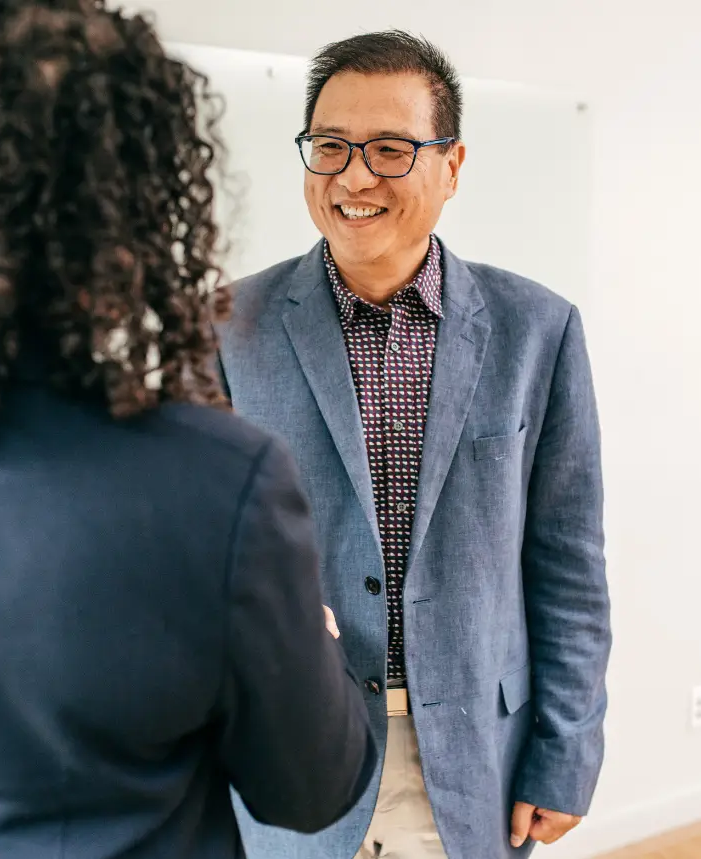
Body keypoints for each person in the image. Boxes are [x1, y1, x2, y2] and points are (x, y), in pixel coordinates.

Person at [0, 3, 377, 858]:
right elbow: (310, 787)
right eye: (334, 147)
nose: (355, 179)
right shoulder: (216, 484)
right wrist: (315, 642)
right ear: (134, 212)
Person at [218, 30, 612, 859]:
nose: (354, 177)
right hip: (288, 758)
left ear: (452, 165)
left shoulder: (538, 330)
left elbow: (568, 565)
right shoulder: (227, 328)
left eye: (390, 149)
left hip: (479, 765)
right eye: (329, 147)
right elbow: (186, 560)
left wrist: (566, 753)